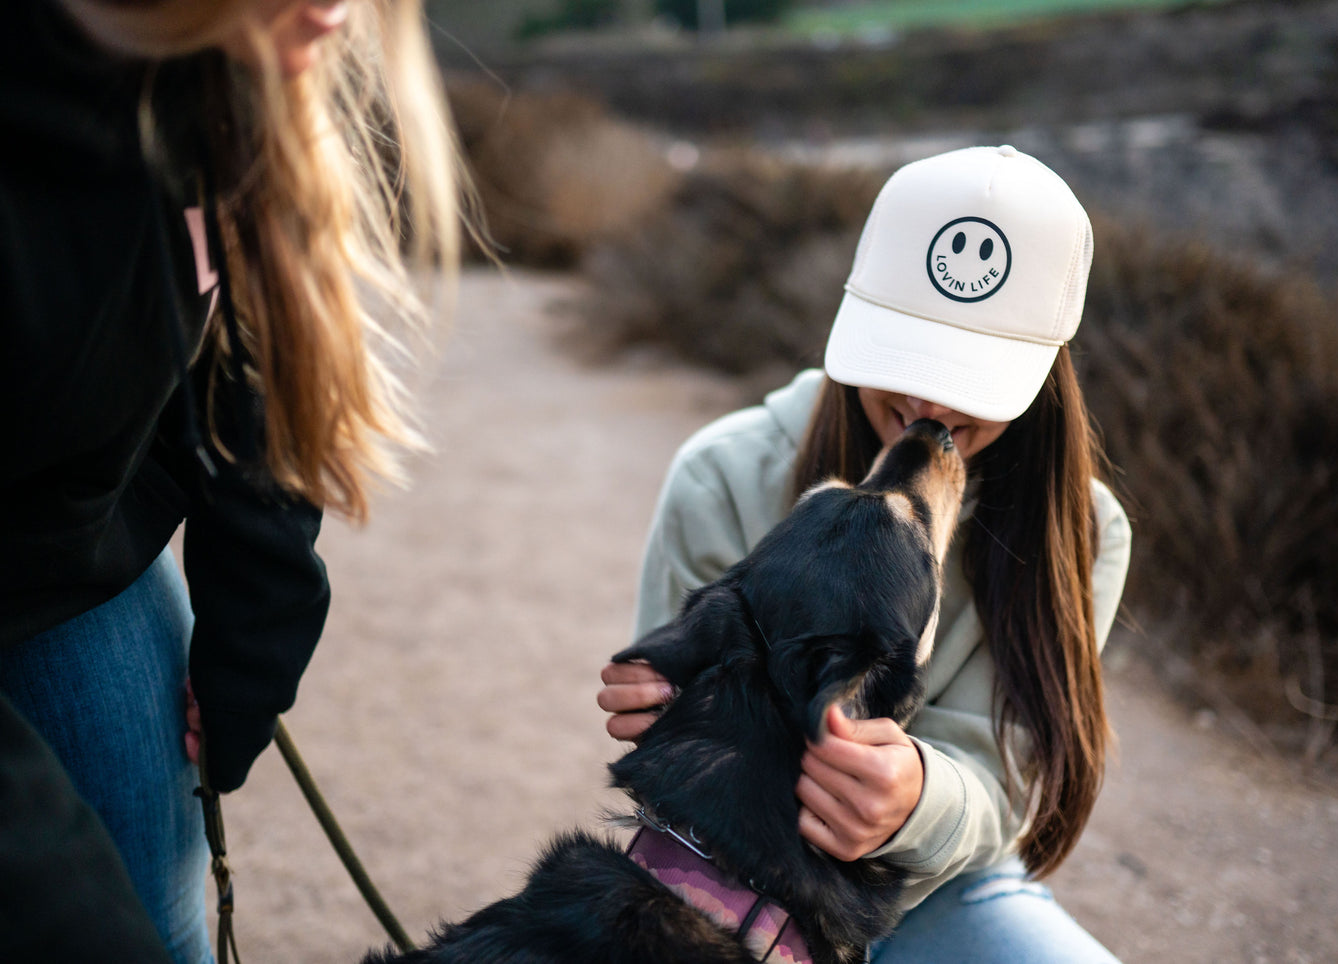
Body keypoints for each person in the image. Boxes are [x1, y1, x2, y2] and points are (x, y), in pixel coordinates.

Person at [0, 0, 468, 960]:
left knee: (167, 928)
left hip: (73, 555)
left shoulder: (246, 66)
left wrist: (256, 626)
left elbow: (249, 359)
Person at [598, 146, 1132, 961]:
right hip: (723, 888)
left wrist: (921, 798)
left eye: (975, 376)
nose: (929, 405)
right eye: (909, 355)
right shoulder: (723, 474)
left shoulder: (1081, 534)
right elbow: (678, 774)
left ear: (1046, 368)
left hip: (934, 892)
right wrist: (662, 706)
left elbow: (1007, 784)